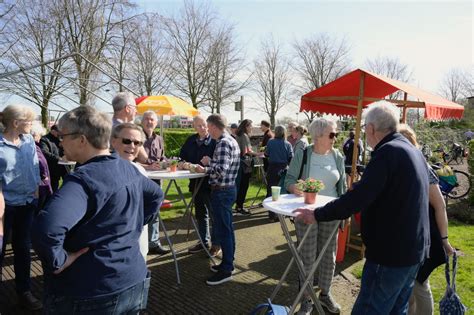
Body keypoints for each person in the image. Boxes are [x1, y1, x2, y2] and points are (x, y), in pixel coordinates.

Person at [293, 101, 430, 315]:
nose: (365, 132)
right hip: (414, 252)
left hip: (390, 255)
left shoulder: (387, 152)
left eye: (365, 128)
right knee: (396, 310)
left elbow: (357, 198)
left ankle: (323, 295)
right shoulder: (411, 150)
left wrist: (318, 214)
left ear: (372, 128)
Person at [32, 106, 164, 314]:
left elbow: (47, 229)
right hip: (133, 279)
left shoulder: (84, 180)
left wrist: (59, 260)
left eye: (63, 135)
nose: (60, 141)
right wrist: (134, 227)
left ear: (82, 140)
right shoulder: (127, 168)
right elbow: (156, 195)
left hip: (92, 291)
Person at [285, 118, 346, 314]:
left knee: (329, 256)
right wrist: (297, 188)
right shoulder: (303, 153)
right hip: (307, 213)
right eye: (332, 134)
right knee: (307, 257)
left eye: (335, 133)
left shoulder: (337, 156)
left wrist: (344, 212)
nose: (335, 137)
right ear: (318, 135)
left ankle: (325, 294)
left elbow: (342, 188)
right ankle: (306, 299)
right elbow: (289, 180)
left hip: (332, 213)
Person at [397, 124, 455, 315]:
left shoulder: (422, 166)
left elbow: (439, 206)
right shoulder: (399, 165)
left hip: (422, 238)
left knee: (420, 285)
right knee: (408, 290)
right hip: (405, 238)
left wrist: (444, 239)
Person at [0, 104, 42, 310]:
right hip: (3, 208)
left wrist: (35, 192)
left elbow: (34, 166)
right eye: (29, 121)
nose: (32, 124)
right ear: (16, 123)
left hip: (26, 205)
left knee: (23, 249)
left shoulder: (28, 142)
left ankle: (24, 292)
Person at [196, 114, 240, 285]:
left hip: (222, 191)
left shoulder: (222, 142)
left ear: (214, 126)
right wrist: (211, 162)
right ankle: (228, 263)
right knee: (226, 229)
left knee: (224, 230)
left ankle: (227, 269)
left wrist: (205, 168)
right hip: (228, 190)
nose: (207, 130)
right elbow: (224, 166)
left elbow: (220, 169)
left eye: (208, 126)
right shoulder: (231, 140)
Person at [179, 116, 221, 256]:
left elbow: (220, 163)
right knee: (201, 214)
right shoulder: (190, 140)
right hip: (195, 183)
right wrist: (183, 163)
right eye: (199, 126)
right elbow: (182, 156)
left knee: (214, 215)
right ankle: (203, 242)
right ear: (194, 127)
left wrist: (210, 162)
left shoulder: (215, 141)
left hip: (210, 184)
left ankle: (216, 244)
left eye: (204, 125)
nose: (202, 128)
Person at [111, 123, 151, 260]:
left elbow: (152, 201)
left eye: (137, 143)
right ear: (113, 141)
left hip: (139, 247)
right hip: (114, 250)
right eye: (126, 141)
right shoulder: (103, 171)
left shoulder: (140, 170)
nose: (132, 146)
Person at [140, 110, 170, 255]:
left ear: (156, 123)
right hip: (140, 179)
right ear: (141, 121)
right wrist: (148, 166)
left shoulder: (159, 139)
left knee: (155, 211)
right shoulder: (137, 137)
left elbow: (162, 157)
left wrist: (165, 162)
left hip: (157, 180)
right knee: (139, 211)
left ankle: (154, 243)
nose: (149, 122)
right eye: (146, 119)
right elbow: (131, 161)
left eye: (152, 119)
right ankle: (139, 244)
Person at [264, 125, 293, 221]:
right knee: (282, 193)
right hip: (283, 169)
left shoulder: (270, 142)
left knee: (271, 192)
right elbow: (290, 158)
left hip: (272, 169)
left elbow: (266, 154)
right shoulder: (287, 144)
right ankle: (280, 214)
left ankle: (271, 215)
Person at [234, 119, 259, 215]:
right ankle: (239, 207)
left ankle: (238, 206)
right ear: (246, 126)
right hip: (244, 164)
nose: (252, 127)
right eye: (251, 126)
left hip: (240, 164)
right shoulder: (244, 136)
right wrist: (258, 154)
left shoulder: (240, 135)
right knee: (243, 186)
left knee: (240, 185)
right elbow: (247, 151)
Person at [31, 122, 53, 209]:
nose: (40, 137)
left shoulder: (35, 146)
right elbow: (41, 163)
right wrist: (44, 176)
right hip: (40, 184)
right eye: (39, 134)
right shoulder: (34, 147)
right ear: (35, 135)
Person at [39, 124, 66, 192]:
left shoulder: (60, 139)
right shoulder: (44, 139)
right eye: (59, 132)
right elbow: (44, 152)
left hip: (63, 167)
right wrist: (58, 158)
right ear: (53, 131)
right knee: (53, 188)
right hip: (52, 169)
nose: (60, 135)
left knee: (67, 185)